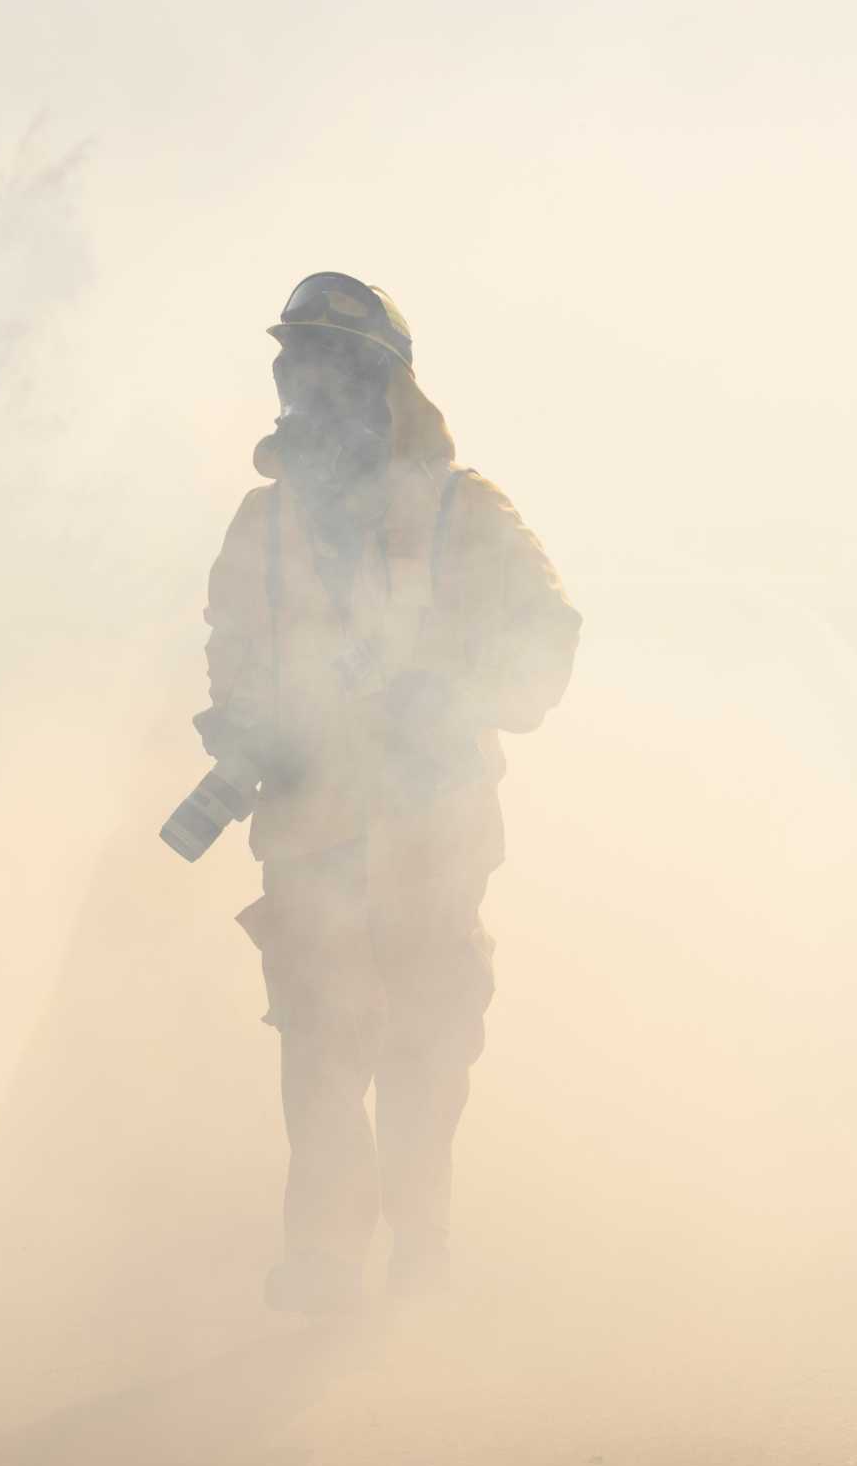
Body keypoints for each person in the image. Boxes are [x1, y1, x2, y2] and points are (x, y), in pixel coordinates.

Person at [194, 271, 580, 1312]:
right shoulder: (259, 527)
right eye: (301, 372)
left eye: (341, 375)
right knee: (319, 1055)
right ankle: (322, 1259)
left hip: (430, 842)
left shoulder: (467, 513)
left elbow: (544, 642)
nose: (316, 397)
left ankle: (419, 1249)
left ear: (387, 392)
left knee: (421, 1054)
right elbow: (233, 655)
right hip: (309, 839)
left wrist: (445, 697)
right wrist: (244, 728)